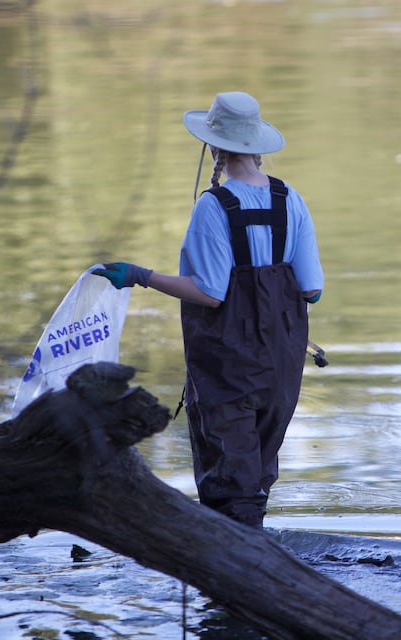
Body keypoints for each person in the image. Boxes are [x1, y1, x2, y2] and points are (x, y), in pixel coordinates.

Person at [93, 91, 324, 529]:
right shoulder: (291, 200)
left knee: (228, 484)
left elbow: (209, 293)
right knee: (255, 478)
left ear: (213, 145)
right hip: (281, 363)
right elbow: (311, 290)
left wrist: (141, 275)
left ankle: (234, 572)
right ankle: (256, 568)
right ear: (256, 144)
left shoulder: (212, 206)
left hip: (227, 366)